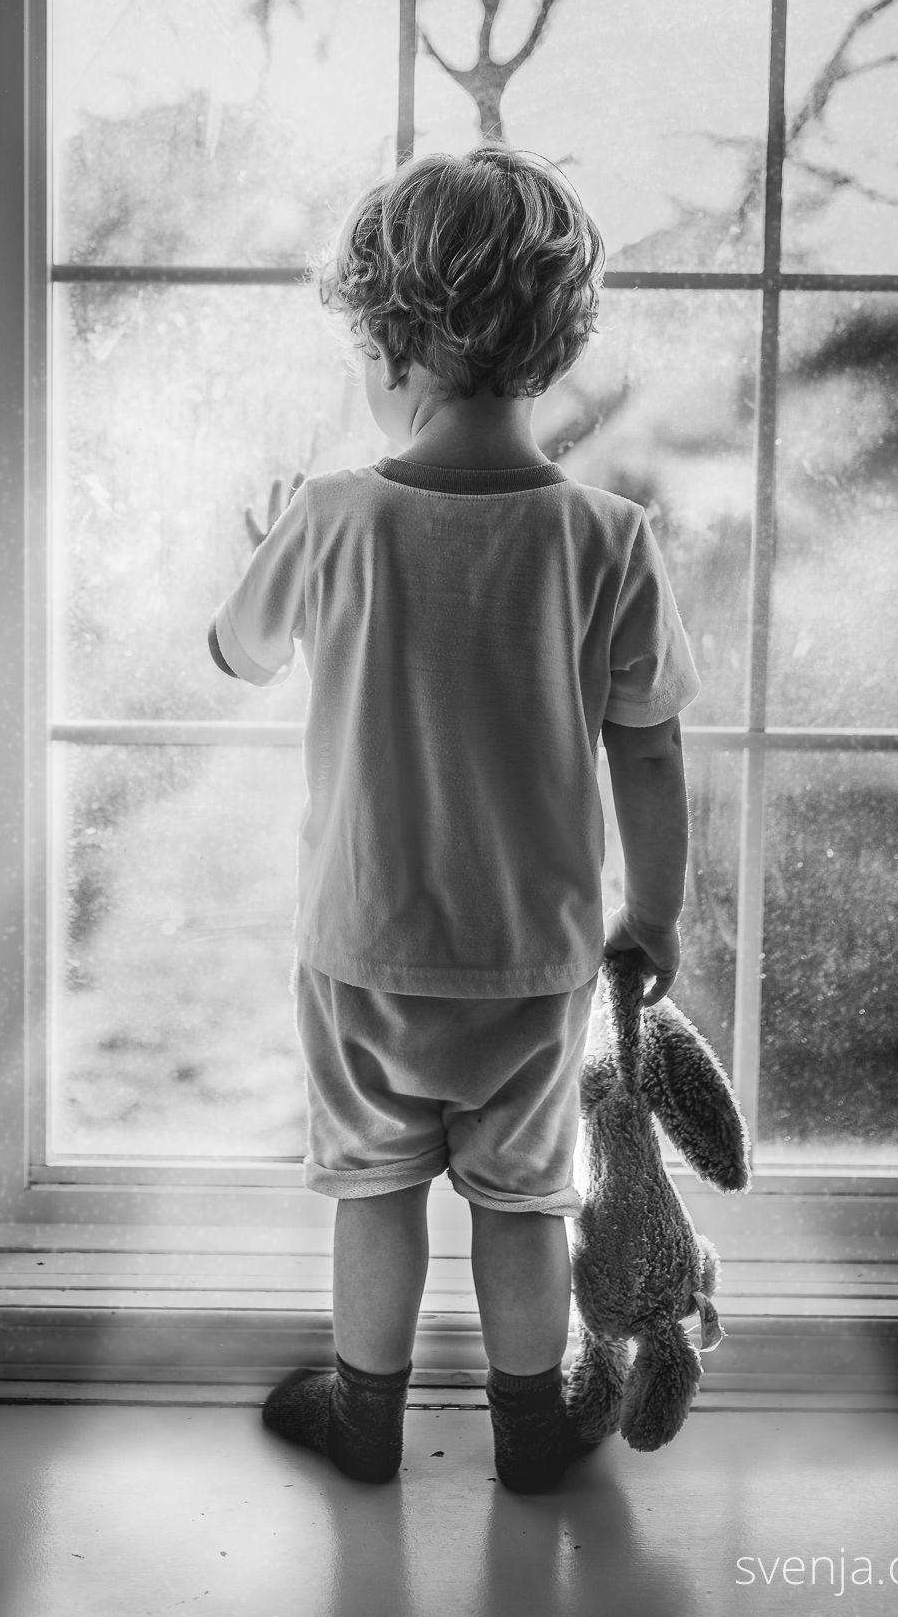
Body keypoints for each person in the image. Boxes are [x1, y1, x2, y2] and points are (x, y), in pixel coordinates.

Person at [207, 145, 699, 1492]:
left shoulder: (329, 517)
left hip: (363, 945)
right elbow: (646, 749)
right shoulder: (607, 537)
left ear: (385, 336)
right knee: (522, 1199)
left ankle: (365, 1418)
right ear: (554, 341)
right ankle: (530, 1426)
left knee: (374, 1188)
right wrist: (649, 912)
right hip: (534, 954)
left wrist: (262, 544)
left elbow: (238, 652)